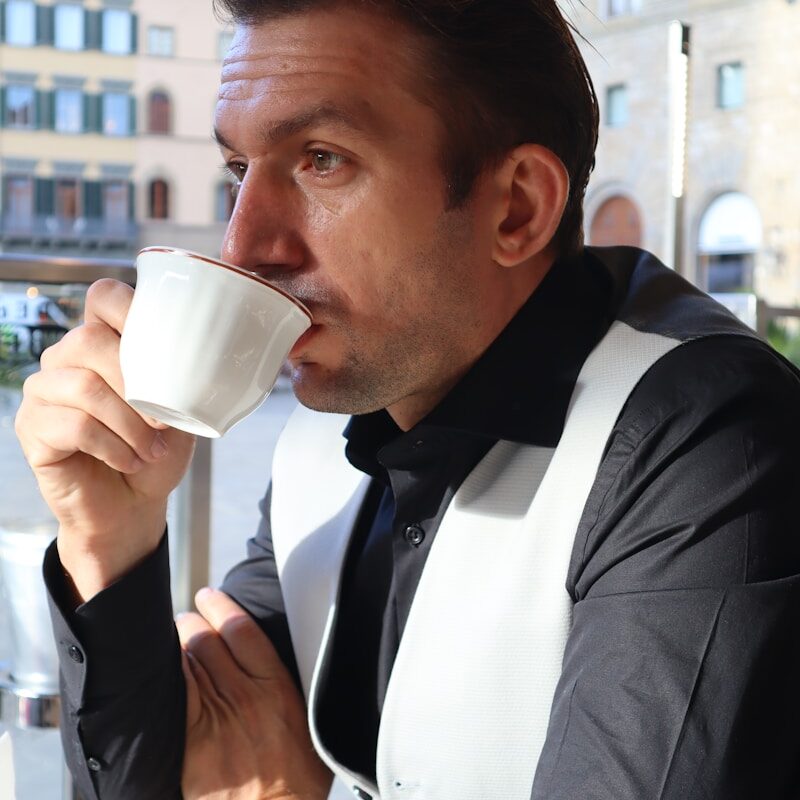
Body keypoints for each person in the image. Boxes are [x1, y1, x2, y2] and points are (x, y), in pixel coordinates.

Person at [14, 1, 800, 798]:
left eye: (322, 159)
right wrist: (106, 538)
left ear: (517, 207)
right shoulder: (340, 426)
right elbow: (187, 773)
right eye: (239, 172)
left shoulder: (706, 444)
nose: (243, 248)